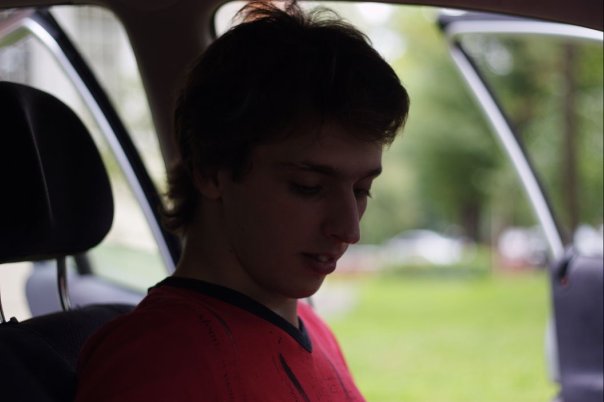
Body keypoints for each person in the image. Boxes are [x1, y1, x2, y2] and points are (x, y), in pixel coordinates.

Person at [75, 1, 409, 401]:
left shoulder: (311, 328)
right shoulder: (158, 364)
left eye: (361, 190)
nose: (349, 229)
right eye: (308, 186)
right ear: (212, 171)